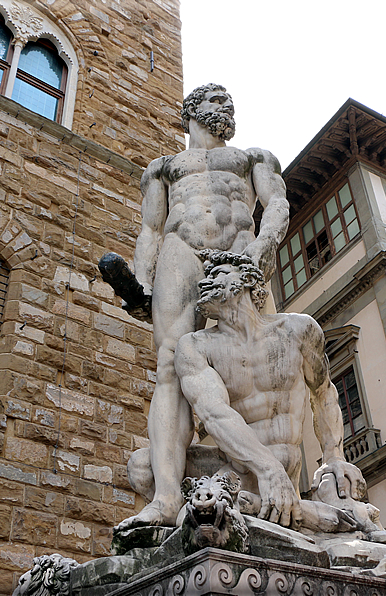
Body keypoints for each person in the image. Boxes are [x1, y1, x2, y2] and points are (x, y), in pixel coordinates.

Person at [115, 84, 290, 530]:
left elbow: (277, 205)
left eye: (229, 101)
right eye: (215, 101)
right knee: (170, 365)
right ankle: (168, 496)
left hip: (242, 252)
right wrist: (142, 282)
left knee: (258, 365)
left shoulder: (253, 158)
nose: (226, 107)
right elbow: (151, 229)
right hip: (182, 252)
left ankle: (265, 480)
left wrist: (264, 248)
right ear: (191, 111)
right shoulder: (163, 168)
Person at [173, 250, 365, 529]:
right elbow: (214, 414)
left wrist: (334, 455)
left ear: (249, 279)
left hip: (284, 463)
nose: (210, 279)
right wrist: (268, 469)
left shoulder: (299, 329)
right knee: (144, 468)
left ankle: (273, 504)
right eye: (208, 275)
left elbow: (323, 394)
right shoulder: (195, 346)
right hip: (239, 466)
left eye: (221, 272)